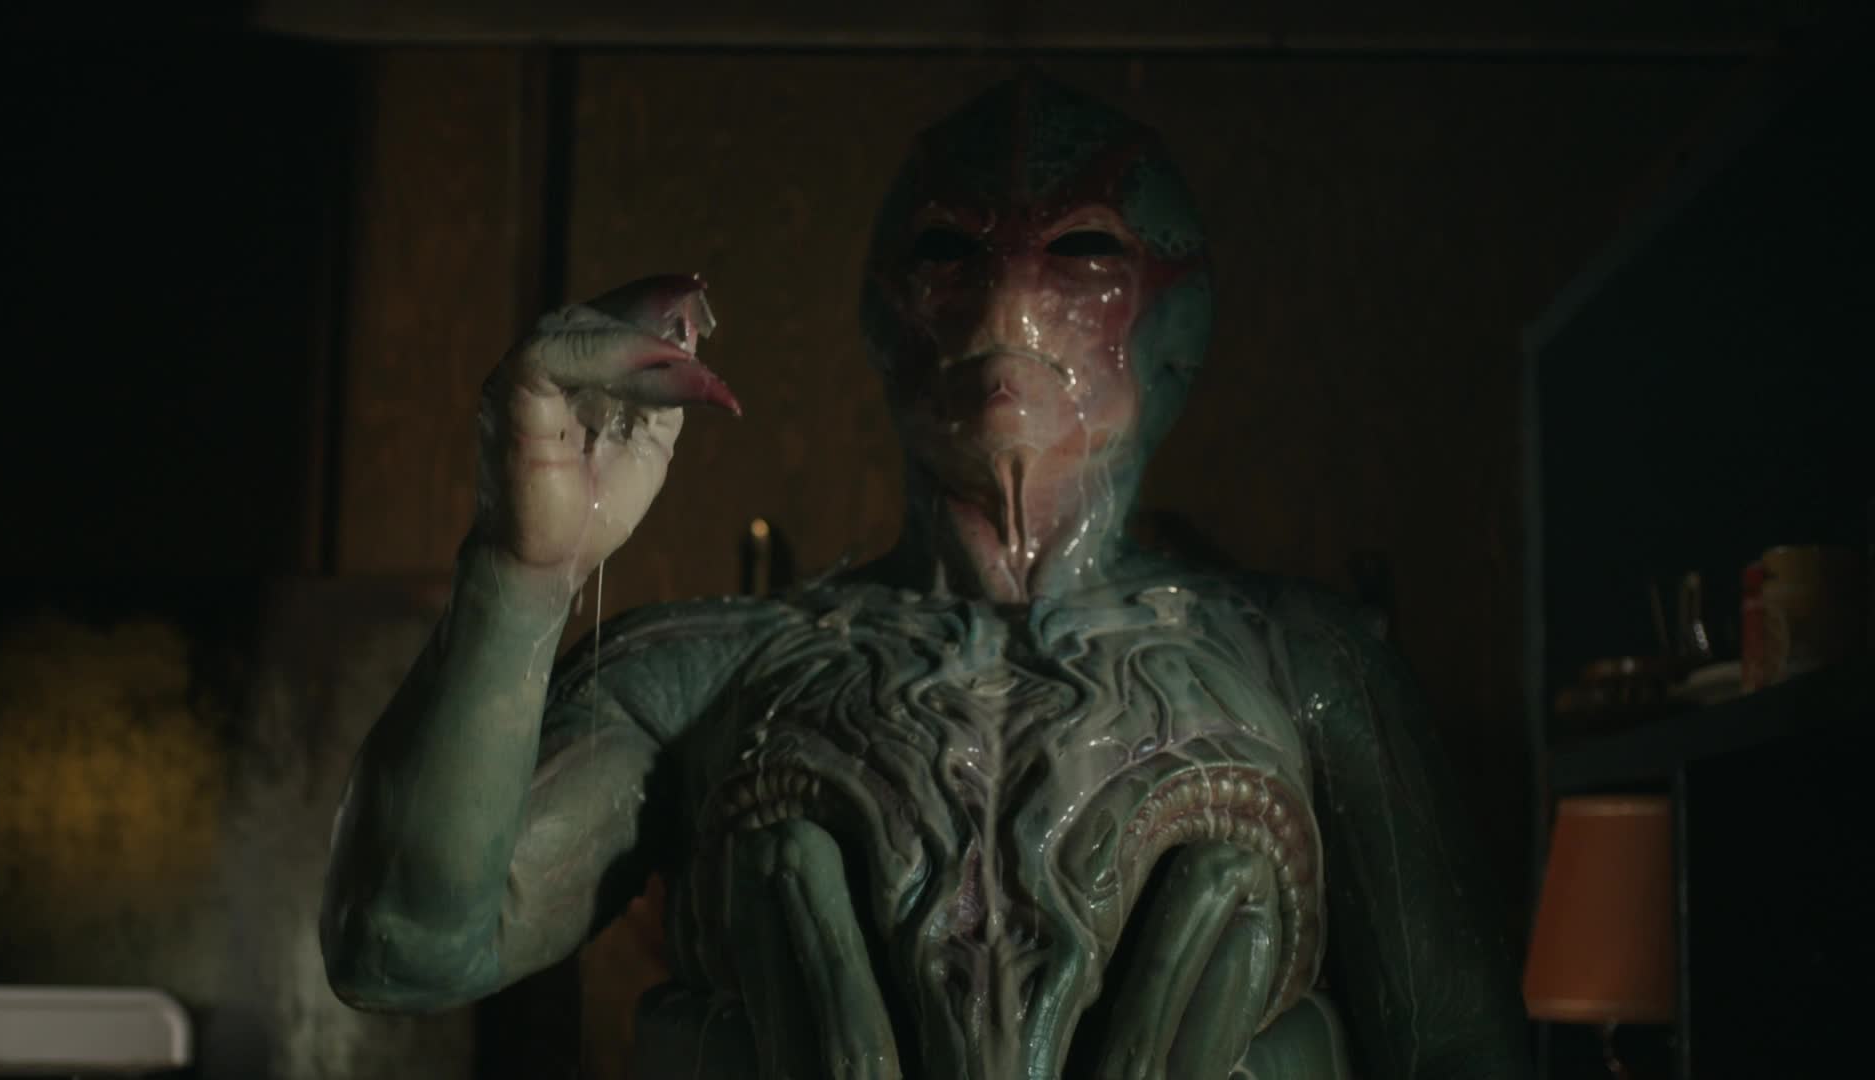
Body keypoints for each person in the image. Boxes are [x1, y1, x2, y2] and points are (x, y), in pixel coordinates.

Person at [320, 75, 1531, 1079]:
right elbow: (404, 947)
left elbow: (1462, 1051)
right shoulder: (710, 666)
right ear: (884, 312)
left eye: (1082, 251)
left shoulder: (1310, 661)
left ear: (1177, 319)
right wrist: (523, 571)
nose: (1010, 296)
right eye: (951, 249)